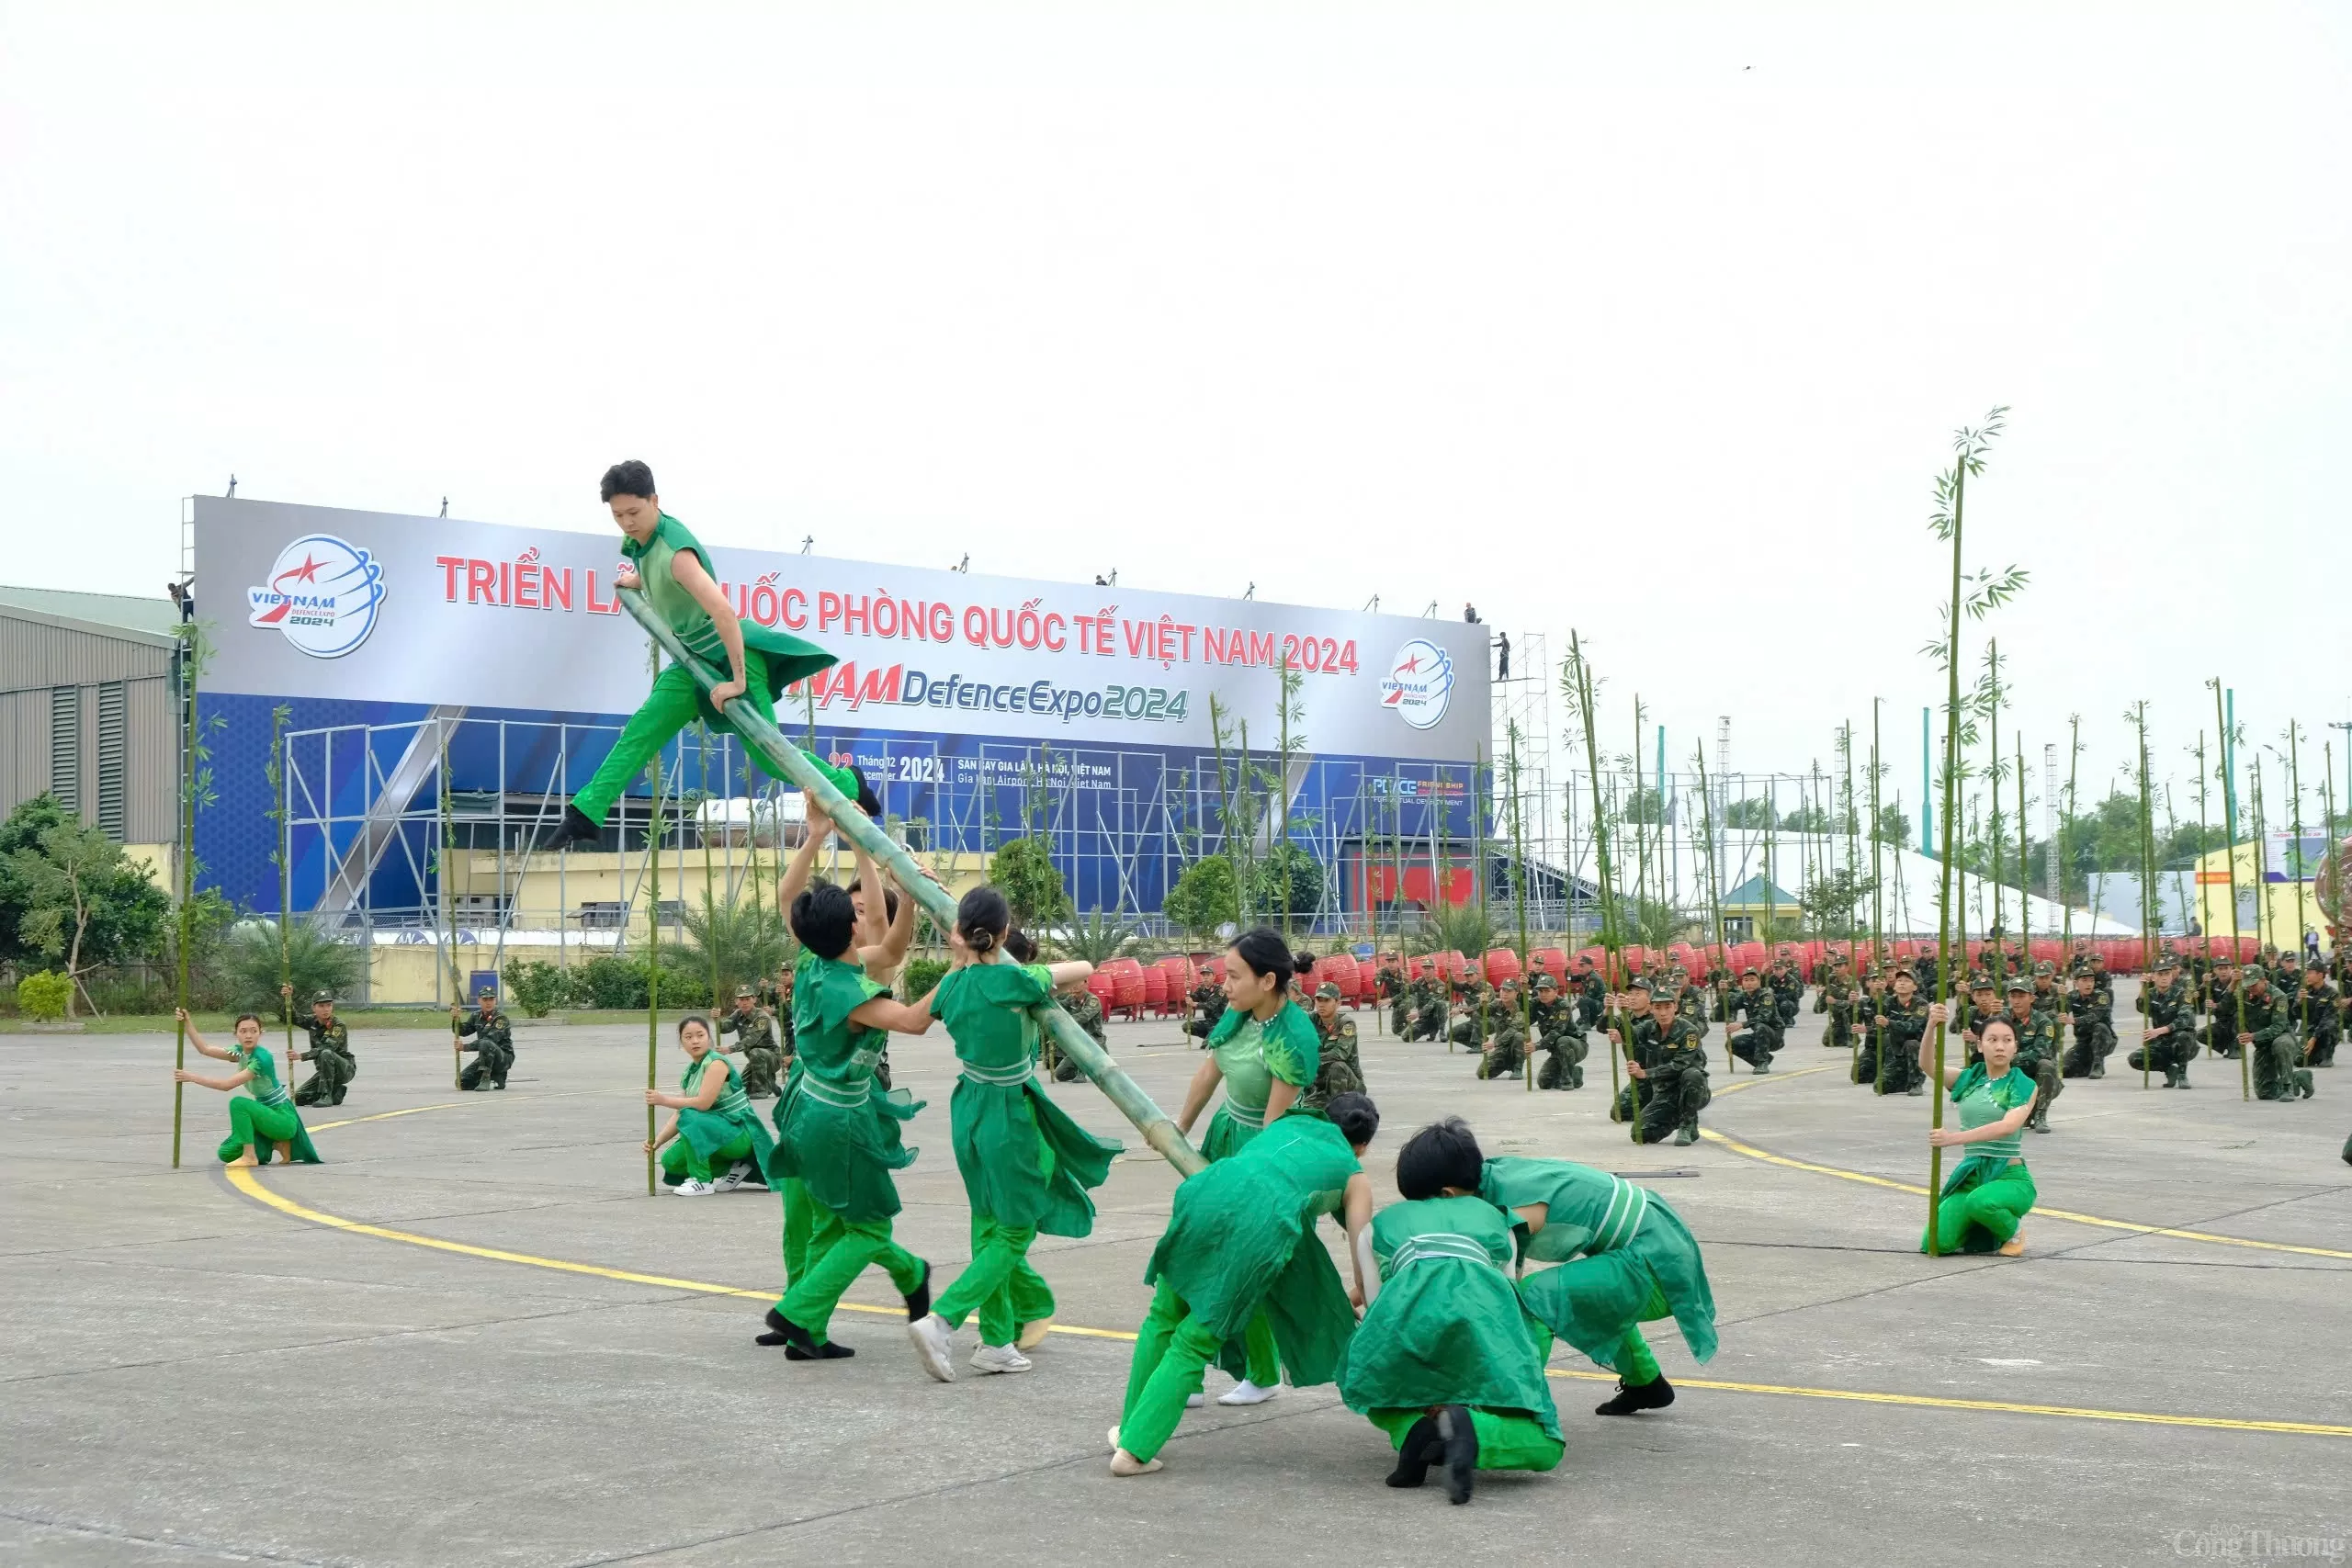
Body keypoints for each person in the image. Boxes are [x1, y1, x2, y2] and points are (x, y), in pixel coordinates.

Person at [535, 460, 878, 852]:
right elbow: (662, 576)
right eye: (617, 515)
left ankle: (850, 781)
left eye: (633, 512)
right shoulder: (645, 544)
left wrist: (737, 682)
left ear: (654, 501)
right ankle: (586, 814)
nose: (627, 523)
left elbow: (723, 612)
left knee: (771, 757)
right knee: (640, 732)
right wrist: (640, 580)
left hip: (734, 660)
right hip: (692, 662)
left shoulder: (676, 552)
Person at [907, 887, 1121, 1381]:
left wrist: (961, 949)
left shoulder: (951, 988)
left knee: (987, 1222)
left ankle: (997, 1342)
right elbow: (1084, 968)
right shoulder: (1016, 980)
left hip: (967, 1109)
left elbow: (959, 969)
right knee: (1016, 1227)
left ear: (960, 935)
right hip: (1008, 1111)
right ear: (1004, 934)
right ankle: (944, 1319)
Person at [1107, 1093, 1378, 1478]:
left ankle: (1129, 1430)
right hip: (1255, 1228)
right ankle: (1134, 1452)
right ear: (1363, 1145)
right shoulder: (1354, 1175)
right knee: (1194, 1342)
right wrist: (1353, 1301)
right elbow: (1363, 1264)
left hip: (1205, 1194)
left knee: (1162, 1318)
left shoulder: (1286, 1124)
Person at [757, 803, 941, 1361]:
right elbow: (912, 1020)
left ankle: (810, 1320)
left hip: (810, 1103)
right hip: (836, 1116)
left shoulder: (813, 963)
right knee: (862, 1223)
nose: (863, 911)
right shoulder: (848, 988)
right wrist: (963, 969)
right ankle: (800, 1311)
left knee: (826, 1221)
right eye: (858, 909)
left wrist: (827, 841)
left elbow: (886, 945)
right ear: (850, 926)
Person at [1337, 1118, 1564, 1506]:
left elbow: (1378, 1312)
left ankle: (1414, 1431)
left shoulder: (1377, 1229)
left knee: (1366, 1383)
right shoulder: (1497, 1220)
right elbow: (1506, 1298)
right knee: (1547, 1445)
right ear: (1451, 1191)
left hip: (1407, 1337)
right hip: (1482, 1337)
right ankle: (1471, 1429)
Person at [1171, 928, 1322, 1405]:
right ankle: (1187, 1372)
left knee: (1244, 1265)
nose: (1226, 985)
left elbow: (1275, 1121)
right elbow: (1209, 1072)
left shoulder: (1294, 1035)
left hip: (1264, 1149)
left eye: (1234, 976)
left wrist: (1249, 1178)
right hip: (1225, 1135)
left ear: (1268, 980)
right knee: (1195, 1248)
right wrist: (1179, 1127)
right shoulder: (1237, 1016)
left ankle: (1259, 1372)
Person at [1477, 1143, 1717, 1418]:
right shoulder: (1500, 1172)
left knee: (1533, 1299)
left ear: (1448, 1192)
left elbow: (1507, 1287)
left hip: (1658, 1268)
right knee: (1591, 1289)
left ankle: (1511, 1412)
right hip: (1663, 1243)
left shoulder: (1508, 1206)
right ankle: (1646, 1383)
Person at [1918, 1009, 2038, 1257]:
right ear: (1980, 1045)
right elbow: (1928, 1066)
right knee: (1934, 1243)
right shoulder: (1969, 1078)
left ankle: (2014, 1231)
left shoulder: (2023, 1084)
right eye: (1992, 1040)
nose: (2000, 1046)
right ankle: (1976, 1227)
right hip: (1971, 1176)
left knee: (1981, 1202)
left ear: (2016, 1046)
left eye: (2007, 1040)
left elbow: (2008, 1126)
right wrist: (1931, 1026)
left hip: (2009, 1176)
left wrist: (1953, 1139)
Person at [174, 1009, 322, 1168]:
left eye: (253, 1031)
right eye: (243, 1031)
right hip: (266, 1117)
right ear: (236, 1034)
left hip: (282, 1118)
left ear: (260, 1033)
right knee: (226, 1152)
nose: (248, 1035)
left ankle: (250, 1155)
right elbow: (204, 1049)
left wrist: (192, 1077)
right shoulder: (239, 1053)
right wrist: (187, 1022)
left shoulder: (261, 1059)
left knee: (238, 1103)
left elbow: (227, 1086)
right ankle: (277, 1145)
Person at [647, 1014, 773, 1194]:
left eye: (700, 1035)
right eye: (688, 1037)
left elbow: (702, 1104)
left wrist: (663, 1100)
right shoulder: (690, 1072)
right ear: (682, 1043)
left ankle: (702, 1181)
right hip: (714, 1131)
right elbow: (679, 1112)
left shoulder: (717, 1063)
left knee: (691, 1116)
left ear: (709, 1038)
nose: (695, 1041)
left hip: (738, 1134)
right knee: (671, 1162)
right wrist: (656, 1142)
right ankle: (735, 1167)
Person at [1612, 986, 1709, 1146]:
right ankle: (1678, 1117)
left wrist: (1645, 1073)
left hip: (1693, 1089)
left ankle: (1687, 1124)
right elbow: (1631, 1038)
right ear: (1651, 1008)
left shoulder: (1689, 1031)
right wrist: (1620, 1012)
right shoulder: (1647, 1028)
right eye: (1658, 1007)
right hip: (1666, 1091)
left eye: (1667, 1007)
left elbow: (1679, 1065)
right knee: (1640, 1134)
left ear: (1676, 1007)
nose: (1663, 1013)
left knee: (1692, 1074)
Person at [2240, 970, 2315, 1102]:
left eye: (2254, 985)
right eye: (2248, 985)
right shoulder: (2244, 994)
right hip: (2263, 1044)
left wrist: (2253, 1036)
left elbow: (2278, 1027)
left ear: (2264, 980)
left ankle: (2288, 1087)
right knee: (2265, 1093)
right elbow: (2226, 1006)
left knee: (2281, 1044)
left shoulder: (2278, 996)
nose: (2251, 989)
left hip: (2282, 1038)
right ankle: (2298, 1078)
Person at [2129, 955, 2201, 1089]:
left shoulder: (2181, 993)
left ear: (2171, 975)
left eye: (2167, 973)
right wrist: (2143, 988)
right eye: (2160, 974)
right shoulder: (2150, 993)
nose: (2164, 977)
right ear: (2153, 977)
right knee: (2135, 1058)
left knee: (2182, 1036)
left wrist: (2159, 1031)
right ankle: (2169, 1069)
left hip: (2183, 1043)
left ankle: (2182, 1073)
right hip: (2161, 1042)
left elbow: (2184, 1020)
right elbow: (2141, 1007)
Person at [2001, 979, 2063, 1132]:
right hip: (2011, 1074)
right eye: (2013, 996)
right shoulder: (2002, 1019)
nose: (2017, 1001)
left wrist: (2011, 1058)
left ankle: (2040, 1115)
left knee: (2046, 1065)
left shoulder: (2043, 1022)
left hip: (2037, 1077)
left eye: (2021, 996)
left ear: (2032, 998)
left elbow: (2039, 1052)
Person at [286, 987, 355, 1107]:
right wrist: (288, 998)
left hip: (344, 1069)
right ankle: (335, 1093)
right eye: (321, 1006)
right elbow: (293, 1017)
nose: (326, 1009)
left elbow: (326, 1047)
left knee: (326, 1052)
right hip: (325, 1072)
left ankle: (326, 1096)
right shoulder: (312, 1021)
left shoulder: (338, 1025)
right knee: (298, 1098)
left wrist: (301, 1056)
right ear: (314, 1008)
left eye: (328, 1005)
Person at [1305, 982, 1367, 1111]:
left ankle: (1341, 1110)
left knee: (1337, 1066)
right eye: (1318, 1000)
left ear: (1338, 1003)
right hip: (1322, 1085)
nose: (1321, 1004)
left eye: (1326, 1000)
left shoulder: (1346, 1024)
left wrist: (1310, 1059)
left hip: (1348, 1085)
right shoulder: (1311, 1020)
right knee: (1303, 1111)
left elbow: (1340, 1054)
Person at [716, 986, 785, 1098]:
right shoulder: (738, 1014)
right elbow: (724, 1028)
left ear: (754, 1000)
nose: (745, 1003)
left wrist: (730, 1049)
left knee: (755, 1052)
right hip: (755, 1061)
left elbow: (751, 1039)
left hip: (772, 1058)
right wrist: (717, 1018)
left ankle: (761, 1090)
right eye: (741, 999)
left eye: (748, 999)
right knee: (737, 1088)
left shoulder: (762, 1017)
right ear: (736, 1001)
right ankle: (770, 1083)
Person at [1530, 973, 1589, 1090]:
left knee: (1562, 1040)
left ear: (1556, 991)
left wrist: (1536, 1046)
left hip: (1575, 1046)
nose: (1543, 994)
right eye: (1540, 991)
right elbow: (1523, 1014)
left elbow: (1556, 1032)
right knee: (1544, 1082)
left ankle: (1567, 1080)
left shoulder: (1562, 1005)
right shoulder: (1537, 1004)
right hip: (1558, 1051)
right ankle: (1574, 1073)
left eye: (1547, 991)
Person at [452, 987, 513, 1090]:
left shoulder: (501, 1019)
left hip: (503, 1059)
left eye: (491, 999)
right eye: (485, 1000)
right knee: (461, 1082)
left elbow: (490, 1040)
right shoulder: (476, 1015)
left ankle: (487, 1078)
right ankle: (495, 1078)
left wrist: (465, 1047)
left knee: (485, 1042)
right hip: (486, 1058)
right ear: (479, 1000)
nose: (488, 1003)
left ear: (495, 1000)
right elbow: (463, 1031)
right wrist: (456, 1019)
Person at [2061, 968, 2117, 1079]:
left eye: (2091, 980)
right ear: (2076, 983)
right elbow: (2060, 1012)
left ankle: (2098, 1064)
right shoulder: (2071, 997)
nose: (2089, 984)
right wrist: (2059, 996)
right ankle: (2087, 1066)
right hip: (2083, 1042)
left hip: (2104, 1040)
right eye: (2084, 980)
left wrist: (2074, 1021)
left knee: (2099, 1027)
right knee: (2064, 1070)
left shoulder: (2101, 996)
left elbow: (2094, 1017)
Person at [1725, 969, 1783, 1075]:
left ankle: (1762, 1062)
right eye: (1746, 980)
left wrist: (1742, 1024)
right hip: (1758, 1035)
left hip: (1774, 1037)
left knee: (1760, 1026)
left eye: (1752, 980)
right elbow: (1730, 1005)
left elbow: (1763, 1017)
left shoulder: (1766, 996)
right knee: (1731, 1044)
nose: (1749, 983)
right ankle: (1761, 1060)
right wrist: (1723, 991)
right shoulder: (1745, 996)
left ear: (1759, 982)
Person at [1477, 976, 1528, 1079]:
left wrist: (1494, 1043)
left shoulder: (1520, 1009)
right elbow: (1484, 1013)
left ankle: (1517, 1068)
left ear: (1516, 993)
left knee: (1519, 1036)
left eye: (1509, 991)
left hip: (1515, 1047)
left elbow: (1512, 1030)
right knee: (1482, 1073)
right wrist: (1482, 1003)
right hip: (1501, 1048)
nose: (1505, 993)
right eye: (1503, 990)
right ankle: (1505, 1063)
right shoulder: (1497, 1003)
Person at [1814, 959, 1855, 1053]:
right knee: (1826, 1040)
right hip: (1837, 1019)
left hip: (1849, 1018)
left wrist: (1835, 1001)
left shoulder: (1852, 983)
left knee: (1846, 1010)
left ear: (1847, 967)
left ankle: (1851, 1036)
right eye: (1835, 966)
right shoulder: (1831, 981)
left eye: (1840, 966)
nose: (1837, 969)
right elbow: (1819, 1009)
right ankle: (1843, 1037)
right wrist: (1824, 992)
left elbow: (1852, 1003)